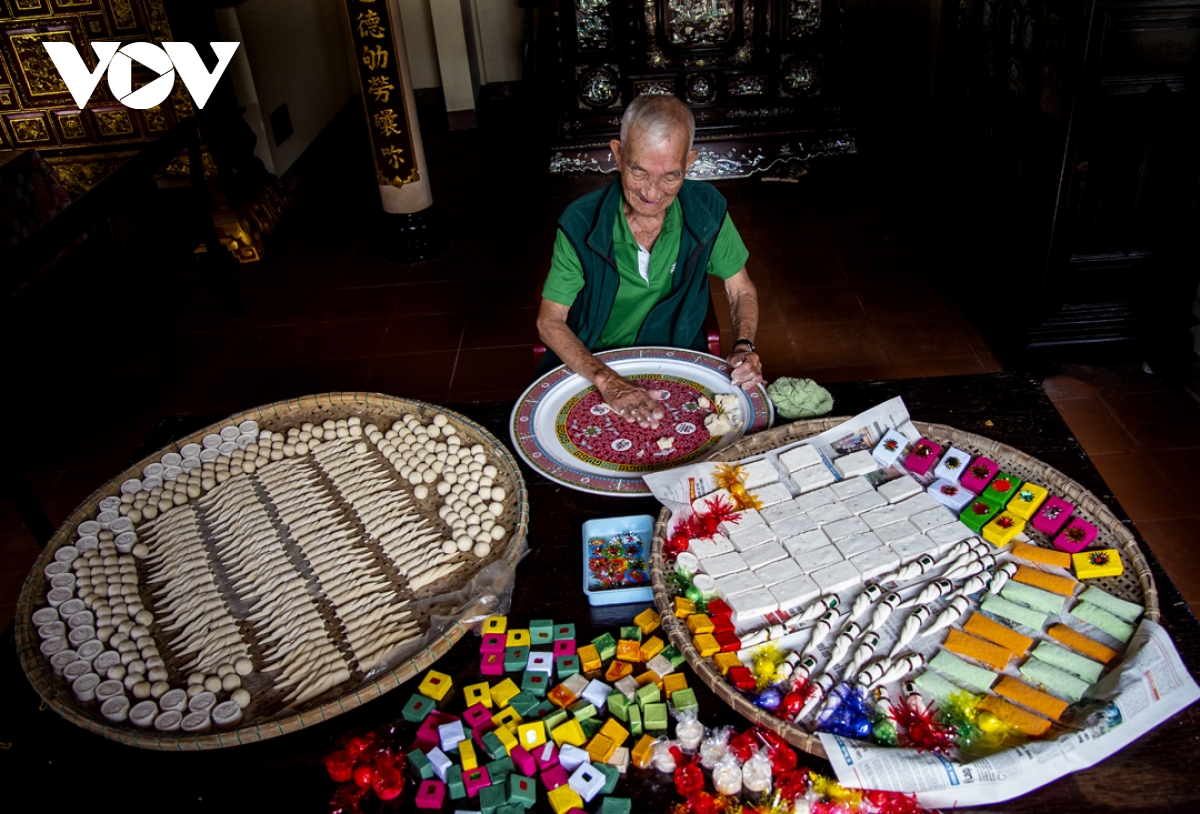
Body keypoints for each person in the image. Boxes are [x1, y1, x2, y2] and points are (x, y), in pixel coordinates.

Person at [537, 96, 764, 430]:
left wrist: (745, 345)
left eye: (670, 177)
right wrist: (608, 381)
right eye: (638, 172)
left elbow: (741, 290)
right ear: (618, 154)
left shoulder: (706, 211)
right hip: (596, 367)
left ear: (689, 163)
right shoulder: (581, 222)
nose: (652, 193)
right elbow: (549, 321)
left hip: (677, 360)